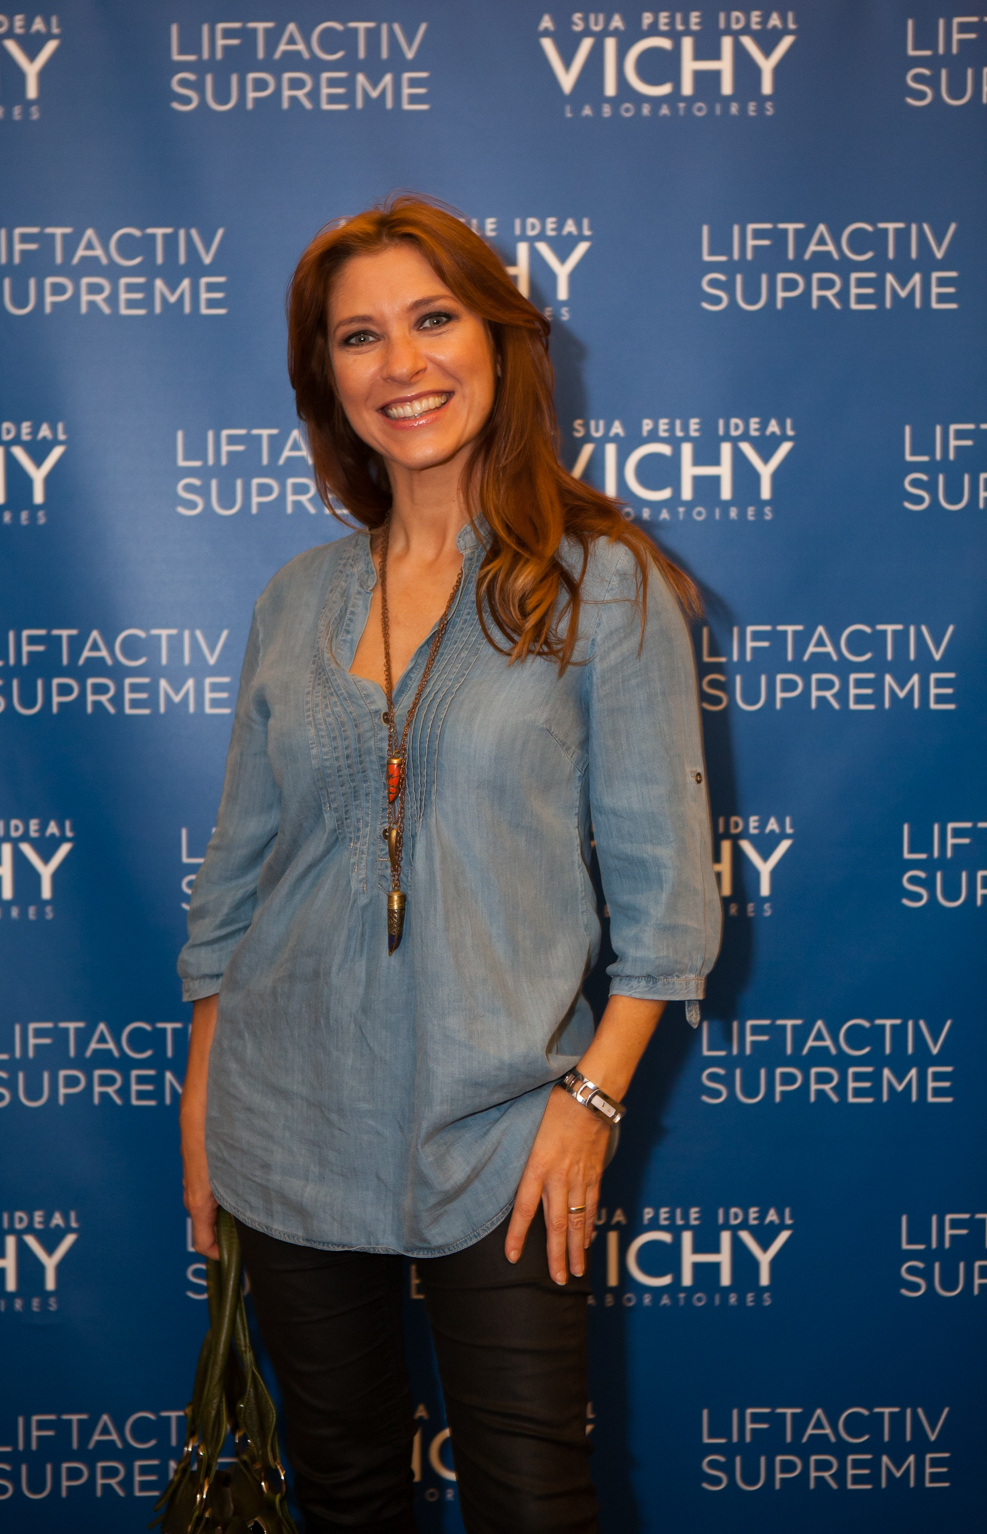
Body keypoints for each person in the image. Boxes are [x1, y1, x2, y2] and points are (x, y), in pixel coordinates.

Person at [178, 195, 721, 1534]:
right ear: (326, 378)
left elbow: (667, 910)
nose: (402, 363)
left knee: (536, 1503)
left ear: (501, 341)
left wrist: (588, 1104)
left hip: (511, 1135)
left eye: (433, 319)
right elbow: (234, 884)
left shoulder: (605, 587)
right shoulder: (296, 599)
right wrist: (202, 1107)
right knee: (347, 1494)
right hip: (283, 1126)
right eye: (358, 336)